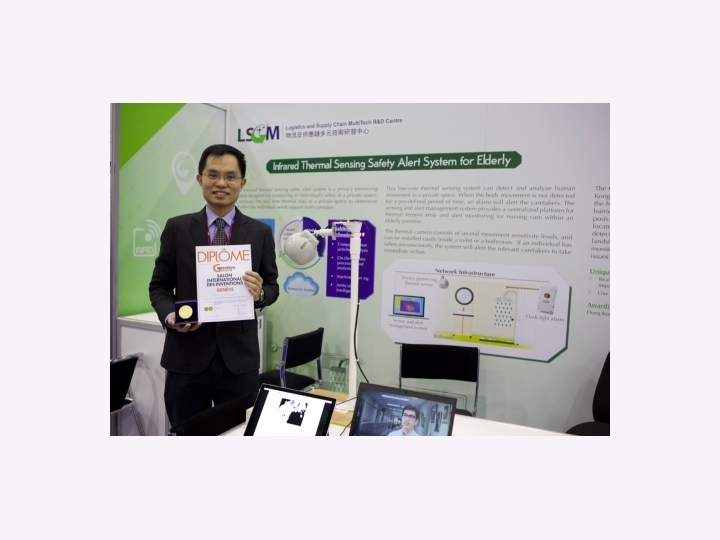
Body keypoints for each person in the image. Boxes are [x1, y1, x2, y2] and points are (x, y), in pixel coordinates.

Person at [149, 144, 279, 428]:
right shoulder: (177, 228)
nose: (221, 183)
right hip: (186, 357)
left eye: (230, 176)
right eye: (213, 175)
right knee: (186, 432)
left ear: (242, 183)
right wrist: (171, 316)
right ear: (200, 179)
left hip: (239, 360)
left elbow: (272, 286)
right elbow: (159, 287)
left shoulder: (259, 232)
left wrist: (260, 294)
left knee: (237, 431)